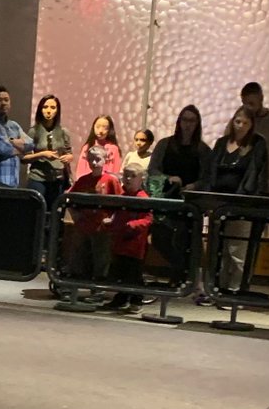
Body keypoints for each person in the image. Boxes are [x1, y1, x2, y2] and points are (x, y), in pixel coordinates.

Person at [147, 107, 213, 287]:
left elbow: (208, 177)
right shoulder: (165, 144)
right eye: (184, 120)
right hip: (167, 199)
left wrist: (194, 186)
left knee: (187, 242)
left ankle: (183, 278)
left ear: (197, 123)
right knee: (160, 237)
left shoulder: (203, 150)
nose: (187, 124)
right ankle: (180, 270)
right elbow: (153, 169)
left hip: (190, 203)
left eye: (192, 120)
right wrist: (168, 178)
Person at [208, 105, 269, 292]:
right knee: (217, 249)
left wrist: (246, 199)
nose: (241, 126)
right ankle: (216, 289)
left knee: (237, 251)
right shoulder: (222, 143)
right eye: (238, 121)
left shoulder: (257, 144)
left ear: (252, 125)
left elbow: (257, 175)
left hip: (241, 205)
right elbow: (211, 171)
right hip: (218, 204)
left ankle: (235, 291)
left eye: (245, 123)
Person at [66, 144, 123, 283]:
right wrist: (75, 215)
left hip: (102, 226)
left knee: (101, 255)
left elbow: (121, 202)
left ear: (105, 160)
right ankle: (74, 280)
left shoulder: (111, 180)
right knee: (78, 252)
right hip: (84, 224)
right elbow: (69, 198)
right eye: (91, 159)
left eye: (98, 159)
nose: (94, 162)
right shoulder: (83, 180)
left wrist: (113, 218)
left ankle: (99, 283)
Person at [105, 165, 152, 313]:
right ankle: (122, 297)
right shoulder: (122, 196)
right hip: (120, 241)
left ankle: (137, 299)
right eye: (126, 176)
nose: (128, 179)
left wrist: (132, 225)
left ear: (141, 179)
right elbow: (117, 215)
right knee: (121, 271)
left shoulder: (143, 198)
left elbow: (148, 219)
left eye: (132, 176)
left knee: (134, 273)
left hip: (135, 243)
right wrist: (112, 223)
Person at [23, 94, 74, 210]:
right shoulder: (34, 131)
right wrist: (42, 154)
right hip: (38, 178)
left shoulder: (63, 132)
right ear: (40, 109)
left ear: (57, 110)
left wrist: (69, 157)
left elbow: (69, 153)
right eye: (45, 107)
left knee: (54, 213)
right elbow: (24, 158)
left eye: (53, 107)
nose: (49, 111)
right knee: (37, 211)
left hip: (57, 179)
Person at [73, 115, 122, 181]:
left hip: (106, 183)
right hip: (88, 183)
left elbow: (115, 171)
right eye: (98, 127)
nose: (101, 131)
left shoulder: (114, 149)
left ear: (110, 130)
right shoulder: (87, 147)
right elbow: (80, 170)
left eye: (105, 128)